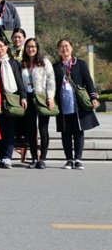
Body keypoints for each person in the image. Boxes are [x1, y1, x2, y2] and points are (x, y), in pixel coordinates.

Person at [53, 39, 100, 170]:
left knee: (79, 132)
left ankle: (78, 159)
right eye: (61, 46)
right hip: (63, 104)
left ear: (71, 47)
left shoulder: (80, 64)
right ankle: (69, 160)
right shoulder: (55, 67)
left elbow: (88, 81)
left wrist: (93, 96)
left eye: (66, 46)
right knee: (65, 133)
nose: (64, 49)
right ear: (58, 49)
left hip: (77, 104)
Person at [21, 38, 56, 169]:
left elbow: (51, 81)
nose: (31, 49)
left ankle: (43, 158)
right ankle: (34, 158)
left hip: (42, 97)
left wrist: (50, 97)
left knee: (43, 129)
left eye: (33, 47)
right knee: (31, 130)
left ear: (37, 48)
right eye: (28, 47)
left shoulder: (45, 62)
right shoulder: (22, 63)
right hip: (28, 98)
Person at [0, 38, 27, 169]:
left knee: (10, 130)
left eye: (2, 46)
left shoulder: (13, 63)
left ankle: (7, 157)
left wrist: (23, 97)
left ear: (7, 47)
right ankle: (2, 156)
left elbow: (19, 81)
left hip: (11, 99)